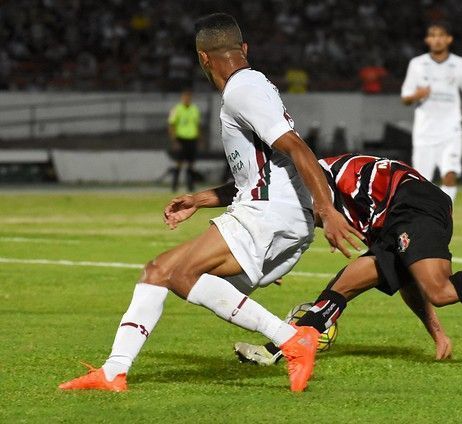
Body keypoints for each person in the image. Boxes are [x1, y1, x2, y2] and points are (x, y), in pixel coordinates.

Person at [58, 13, 362, 393]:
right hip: (273, 214)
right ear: (243, 49)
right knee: (160, 271)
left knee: (176, 273)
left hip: (268, 214)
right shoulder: (249, 89)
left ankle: (291, 338)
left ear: (203, 58)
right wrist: (201, 199)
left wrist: (327, 209)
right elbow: (258, 173)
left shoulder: (243, 89)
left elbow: (297, 148)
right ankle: (113, 372)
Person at [234, 153, 462, 366]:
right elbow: (406, 277)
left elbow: (298, 207)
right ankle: (278, 349)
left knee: (440, 291)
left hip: (414, 202)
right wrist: (437, 334)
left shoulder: (330, 180)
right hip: (395, 217)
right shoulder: (330, 198)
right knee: (346, 283)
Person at [401, 22, 462, 203]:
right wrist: (417, 94)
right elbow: (405, 98)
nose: (437, 39)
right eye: (433, 35)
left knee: (450, 174)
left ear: (448, 39)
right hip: (425, 132)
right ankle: (425, 219)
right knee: (421, 181)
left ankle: (446, 215)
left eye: (441, 35)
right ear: (428, 40)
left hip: (450, 130)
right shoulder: (417, 64)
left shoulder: (460, 64)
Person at [167, 89, 201, 192]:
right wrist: (174, 140)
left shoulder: (195, 109)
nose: (186, 99)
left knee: (191, 164)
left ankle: (190, 186)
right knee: (179, 163)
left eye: (188, 98)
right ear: (182, 98)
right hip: (181, 139)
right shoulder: (177, 109)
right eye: (185, 97)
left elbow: (197, 124)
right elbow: (171, 125)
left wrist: (199, 138)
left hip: (192, 139)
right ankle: (174, 186)